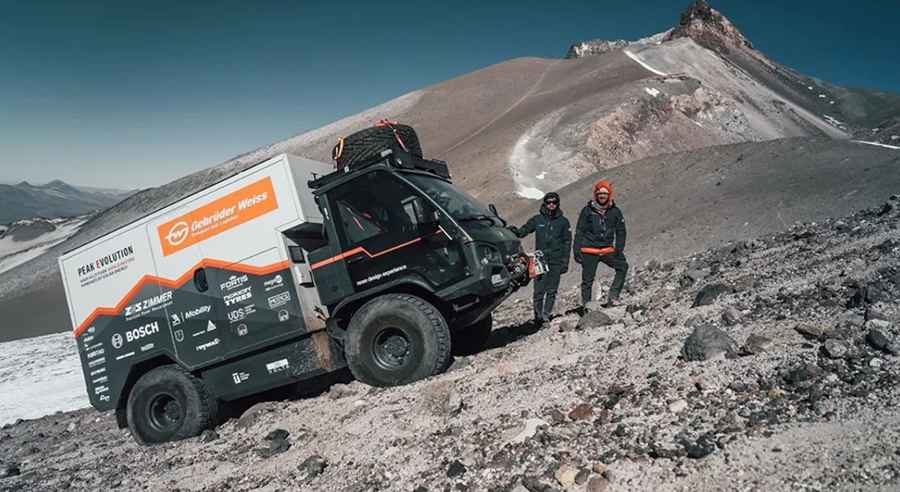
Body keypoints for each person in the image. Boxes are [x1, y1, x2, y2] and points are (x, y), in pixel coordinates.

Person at [509, 192, 572, 325]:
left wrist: (565, 262)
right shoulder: (537, 219)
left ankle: (546, 315)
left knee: (552, 290)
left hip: (556, 259)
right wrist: (514, 231)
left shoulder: (563, 222)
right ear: (544, 203)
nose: (551, 205)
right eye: (548, 202)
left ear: (557, 203)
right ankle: (537, 317)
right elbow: (524, 230)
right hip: (540, 260)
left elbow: (567, 243)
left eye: (554, 202)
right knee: (539, 290)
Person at [573, 179, 628, 311]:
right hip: (589, 250)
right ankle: (587, 306)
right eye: (599, 193)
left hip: (607, 249)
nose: (602, 196)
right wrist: (576, 250)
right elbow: (579, 231)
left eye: (605, 193)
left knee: (623, 266)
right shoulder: (587, 211)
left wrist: (619, 250)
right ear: (595, 194)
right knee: (587, 280)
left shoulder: (615, 211)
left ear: (609, 194)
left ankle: (613, 297)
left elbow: (621, 231)